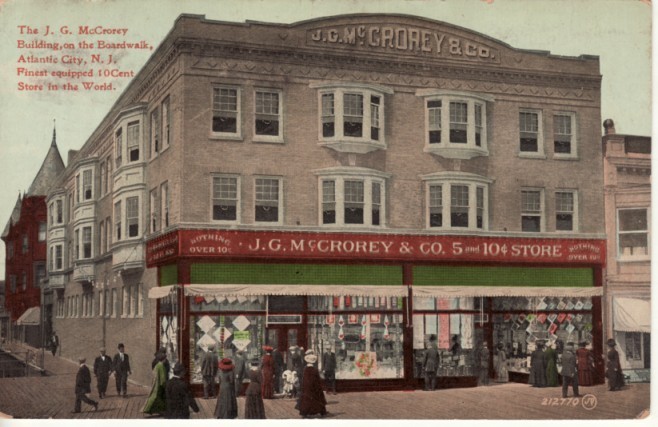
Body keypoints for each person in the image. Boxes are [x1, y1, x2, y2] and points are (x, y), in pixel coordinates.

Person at [298, 350, 327, 418]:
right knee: (318, 398)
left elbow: (304, 379)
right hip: (315, 387)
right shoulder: (314, 369)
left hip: (307, 387)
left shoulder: (305, 369)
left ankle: (305, 412)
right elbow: (317, 379)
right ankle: (321, 411)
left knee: (306, 399)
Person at [143, 351, 168, 416]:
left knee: (155, 397)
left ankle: (152, 410)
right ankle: (149, 409)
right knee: (158, 398)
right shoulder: (161, 366)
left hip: (156, 384)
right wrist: (165, 385)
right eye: (165, 359)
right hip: (159, 385)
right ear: (163, 359)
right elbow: (163, 377)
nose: (165, 360)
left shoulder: (157, 365)